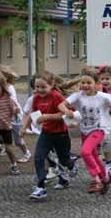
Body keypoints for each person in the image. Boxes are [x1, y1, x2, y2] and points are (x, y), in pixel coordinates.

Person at [59, 68, 111, 194]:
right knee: (94, 156)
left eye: (88, 83)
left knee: (85, 152)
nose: (85, 85)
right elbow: (61, 105)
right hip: (85, 130)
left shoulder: (102, 96)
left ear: (96, 84)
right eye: (83, 83)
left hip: (99, 128)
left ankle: (97, 180)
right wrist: (67, 111)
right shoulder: (78, 96)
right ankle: (106, 178)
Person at [20, 71, 76, 201]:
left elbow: (67, 114)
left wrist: (47, 116)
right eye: (37, 87)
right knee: (39, 156)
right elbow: (33, 113)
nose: (39, 90)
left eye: (43, 87)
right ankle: (40, 187)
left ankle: (71, 164)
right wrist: (24, 128)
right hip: (46, 133)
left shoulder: (56, 96)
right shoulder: (36, 98)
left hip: (61, 133)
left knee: (64, 160)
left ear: (52, 85)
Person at [0, 65, 31, 163]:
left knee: (18, 140)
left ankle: (27, 153)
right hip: (4, 117)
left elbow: (13, 103)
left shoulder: (10, 88)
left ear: (6, 77)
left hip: (15, 117)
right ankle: (3, 148)